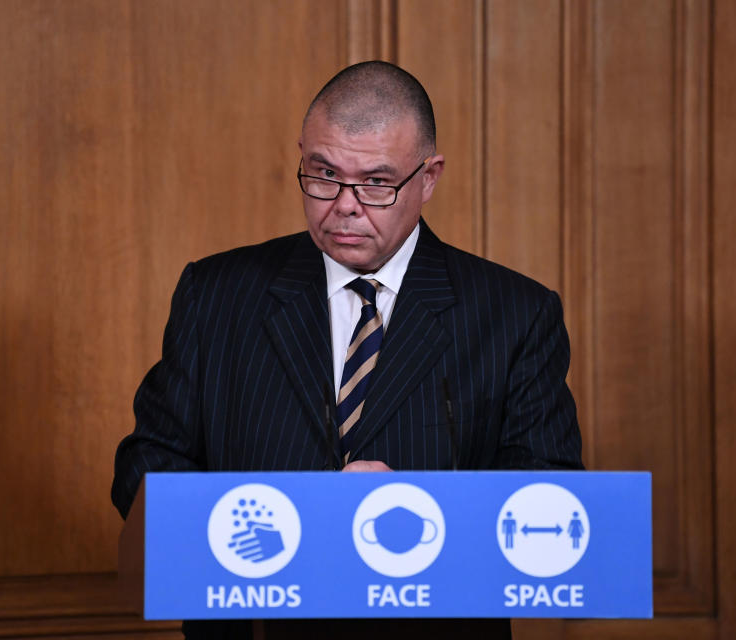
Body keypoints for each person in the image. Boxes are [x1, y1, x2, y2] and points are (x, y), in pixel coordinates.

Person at [112, 60, 582, 640]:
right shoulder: (215, 293)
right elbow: (147, 458)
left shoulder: (516, 313)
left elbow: (550, 499)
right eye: (323, 174)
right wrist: (258, 524)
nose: (345, 205)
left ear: (428, 178)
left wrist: (418, 509)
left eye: (377, 184)